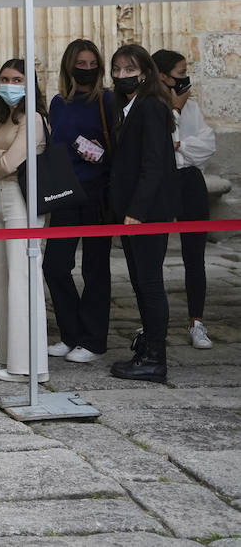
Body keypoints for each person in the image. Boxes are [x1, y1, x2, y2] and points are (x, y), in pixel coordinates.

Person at [0, 59, 49, 383]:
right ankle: (9, 355)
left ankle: (27, 364)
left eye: (17, 79)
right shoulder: (3, 120)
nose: (10, 84)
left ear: (29, 84)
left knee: (21, 277)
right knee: (1, 278)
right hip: (0, 198)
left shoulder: (33, 119)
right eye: (5, 79)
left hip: (21, 198)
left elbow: (10, 163)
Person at [108, 44, 177, 383]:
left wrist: (136, 211)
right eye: (117, 69)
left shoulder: (150, 107)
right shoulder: (129, 107)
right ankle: (147, 346)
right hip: (132, 212)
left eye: (129, 69)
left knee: (149, 283)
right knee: (139, 280)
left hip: (146, 213)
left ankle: (155, 357)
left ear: (145, 72)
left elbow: (154, 164)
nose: (122, 75)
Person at [43, 39, 115, 364]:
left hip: (98, 193)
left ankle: (93, 339)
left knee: (95, 268)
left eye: (91, 63)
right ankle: (71, 333)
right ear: (69, 65)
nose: (86, 69)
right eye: (80, 63)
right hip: (65, 192)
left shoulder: (108, 101)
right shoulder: (58, 103)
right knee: (55, 265)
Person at [153, 48, 216, 349]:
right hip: (162, 184)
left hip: (190, 180)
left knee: (195, 255)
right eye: (180, 73)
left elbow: (208, 145)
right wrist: (174, 118)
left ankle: (197, 322)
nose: (185, 79)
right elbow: (157, 148)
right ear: (163, 77)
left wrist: (178, 145)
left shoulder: (193, 108)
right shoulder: (150, 107)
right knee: (154, 255)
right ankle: (154, 322)